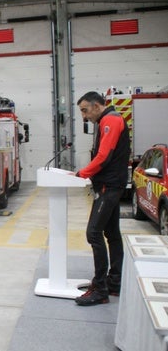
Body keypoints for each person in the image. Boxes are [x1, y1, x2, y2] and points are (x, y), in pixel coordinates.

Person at [74, 91, 129, 306]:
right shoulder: (109, 119)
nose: (84, 116)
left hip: (109, 186)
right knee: (112, 233)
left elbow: (104, 155)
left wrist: (83, 172)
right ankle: (114, 283)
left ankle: (100, 289)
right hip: (112, 184)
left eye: (85, 110)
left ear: (97, 106)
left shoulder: (111, 121)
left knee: (94, 233)